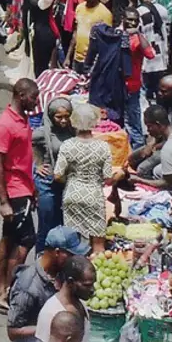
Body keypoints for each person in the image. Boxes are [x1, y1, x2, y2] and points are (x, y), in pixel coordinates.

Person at [0, 77, 41, 306]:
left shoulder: (22, 120)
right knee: (26, 239)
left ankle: (1, 287)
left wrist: (33, 189)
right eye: (33, 98)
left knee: (9, 238)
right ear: (22, 96)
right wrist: (4, 201)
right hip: (14, 191)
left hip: (23, 187)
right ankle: (8, 289)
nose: (36, 103)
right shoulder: (5, 125)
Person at [8, 226, 88, 342]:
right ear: (57, 253)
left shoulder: (62, 272)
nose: (75, 259)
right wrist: (51, 327)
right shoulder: (28, 286)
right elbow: (13, 332)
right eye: (71, 255)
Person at [55, 102, 116, 249]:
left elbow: (57, 175)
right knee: (98, 245)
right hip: (94, 195)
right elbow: (108, 177)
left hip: (72, 193)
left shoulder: (67, 145)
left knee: (72, 243)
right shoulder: (103, 147)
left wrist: (70, 180)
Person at [36, 258, 96, 342]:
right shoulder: (51, 313)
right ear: (70, 282)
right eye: (87, 285)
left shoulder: (81, 306)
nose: (92, 290)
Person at [69, 0, 114, 66]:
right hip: (77, 60)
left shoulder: (105, 13)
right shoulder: (79, 8)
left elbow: (108, 41)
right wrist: (68, 57)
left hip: (93, 62)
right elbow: (75, 33)